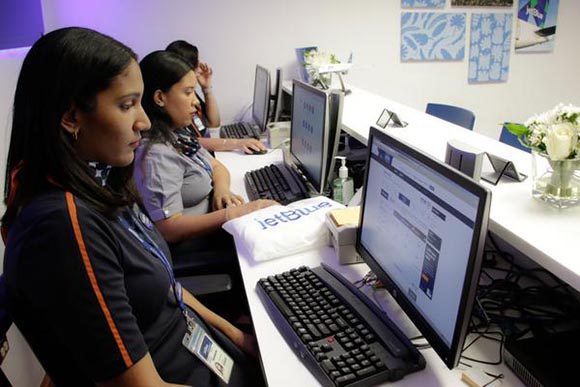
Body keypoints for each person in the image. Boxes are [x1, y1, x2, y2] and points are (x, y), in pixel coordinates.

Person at [2, 27, 263, 386]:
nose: (142, 121)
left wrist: (236, 337)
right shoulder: (62, 226)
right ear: (71, 117)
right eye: (126, 105)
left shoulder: (103, 182)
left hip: (200, 351)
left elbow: (167, 289)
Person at [135, 50, 275, 250]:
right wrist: (236, 213)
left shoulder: (175, 135)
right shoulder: (155, 154)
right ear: (160, 98)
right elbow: (169, 229)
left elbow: (216, 166)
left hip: (220, 230)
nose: (195, 101)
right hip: (204, 247)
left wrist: (222, 190)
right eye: (188, 92)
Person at [166, 40, 266, 154]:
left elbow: (214, 123)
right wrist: (236, 143)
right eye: (196, 65)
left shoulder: (190, 95)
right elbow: (189, 141)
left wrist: (206, 88)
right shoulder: (174, 102)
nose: (199, 69)